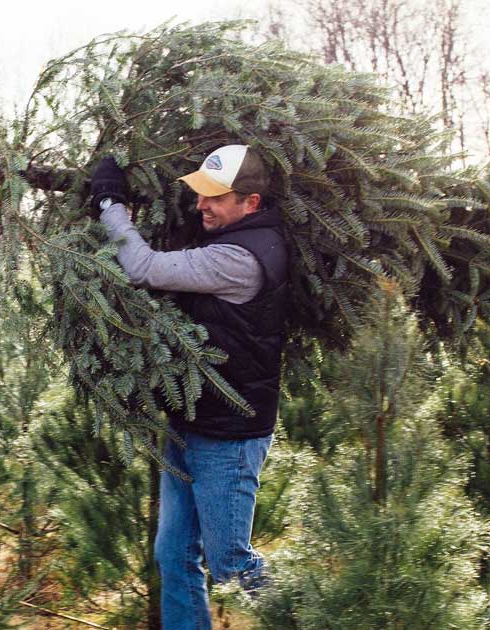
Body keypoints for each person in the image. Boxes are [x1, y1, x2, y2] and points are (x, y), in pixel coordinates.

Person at [90, 144, 289, 629]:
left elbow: (143, 269)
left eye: (214, 199)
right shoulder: (231, 235)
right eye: (200, 194)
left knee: (231, 566)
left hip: (228, 438)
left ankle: (316, 613)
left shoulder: (241, 258)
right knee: (174, 556)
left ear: (250, 204)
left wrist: (109, 205)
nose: (200, 205)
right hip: (190, 422)